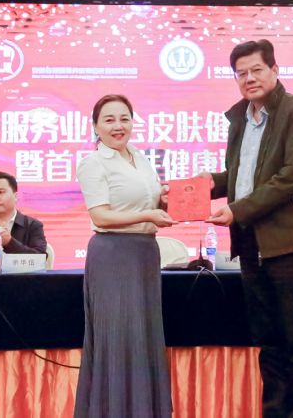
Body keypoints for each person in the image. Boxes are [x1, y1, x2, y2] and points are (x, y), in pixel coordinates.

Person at [204, 39, 293, 418]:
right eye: (241, 73)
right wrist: (199, 187)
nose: (249, 78)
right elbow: (241, 176)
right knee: (269, 345)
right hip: (253, 245)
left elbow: (292, 177)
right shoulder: (241, 119)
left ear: (274, 70)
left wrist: (236, 210)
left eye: (256, 69)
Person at [74, 94, 176, 418]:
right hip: (113, 256)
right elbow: (101, 216)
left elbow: (149, 205)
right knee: (117, 339)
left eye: (124, 118)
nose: (118, 126)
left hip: (145, 254)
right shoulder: (93, 163)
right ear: (96, 126)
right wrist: (147, 213)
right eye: (109, 119)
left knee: (143, 337)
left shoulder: (140, 158)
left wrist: (165, 201)